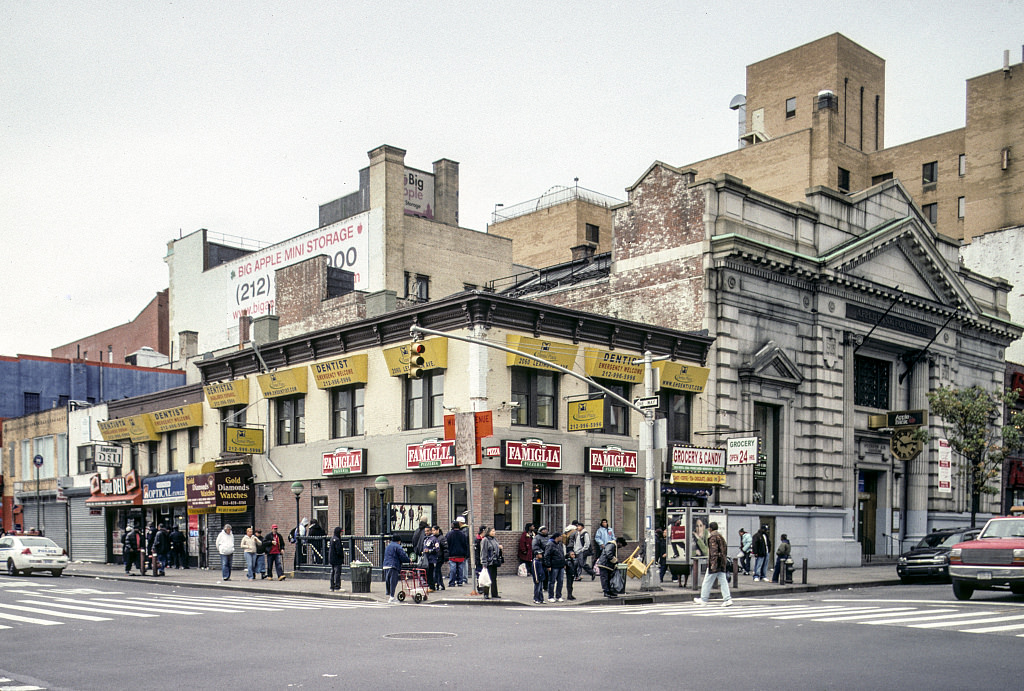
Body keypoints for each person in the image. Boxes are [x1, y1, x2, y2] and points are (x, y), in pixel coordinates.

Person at [693, 521, 733, 606]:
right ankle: (727, 599)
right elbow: (724, 549)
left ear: (710, 529)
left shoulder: (712, 538)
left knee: (707, 581)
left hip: (714, 563)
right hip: (721, 562)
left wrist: (712, 564)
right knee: (723, 581)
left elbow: (714, 551)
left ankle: (703, 599)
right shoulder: (720, 537)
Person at [382, 533, 410, 603]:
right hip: (393, 565)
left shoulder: (388, 546)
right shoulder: (398, 546)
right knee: (393, 582)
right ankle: (391, 597)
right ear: (399, 541)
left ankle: (389, 594)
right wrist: (409, 560)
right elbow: (403, 556)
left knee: (388, 581)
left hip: (386, 565)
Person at [543, 530, 567, 602]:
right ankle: (550, 596)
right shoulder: (550, 544)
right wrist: (548, 565)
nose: (562, 538)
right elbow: (546, 555)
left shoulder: (560, 544)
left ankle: (558, 595)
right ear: (557, 537)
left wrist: (564, 564)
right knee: (552, 581)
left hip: (560, 565)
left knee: (560, 581)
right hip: (553, 565)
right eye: (561, 537)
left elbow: (562, 554)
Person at [480, 526, 502, 599]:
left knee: (493, 578)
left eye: (494, 531)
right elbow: (483, 551)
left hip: (494, 562)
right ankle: (486, 593)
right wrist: (484, 562)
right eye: (492, 531)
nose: (494, 533)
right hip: (488, 562)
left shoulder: (494, 539)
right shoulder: (485, 540)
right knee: (487, 578)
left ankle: (494, 593)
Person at [446, 518, 469, 586]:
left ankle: (452, 582)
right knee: (460, 569)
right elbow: (465, 544)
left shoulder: (449, 534)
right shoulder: (462, 534)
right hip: (461, 555)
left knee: (453, 569)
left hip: (452, 554)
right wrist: (465, 553)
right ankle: (460, 581)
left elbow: (446, 544)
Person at [532, 525, 550, 604]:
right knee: (538, 583)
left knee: (544, 576)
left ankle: (541, 598)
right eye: (543, 529)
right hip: (541, 558)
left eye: (546, 529)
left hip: (546, 558)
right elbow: (535, 547)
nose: (545, 531)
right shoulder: (537, 538)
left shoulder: (548, 538)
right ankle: (536, 598)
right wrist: (541, 553)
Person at [562, 525, 578, 600]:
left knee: (571, 584)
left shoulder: (568, 531)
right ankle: (569, 595)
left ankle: (570, 595)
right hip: (571, 546)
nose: (574, 556)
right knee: (569, 584)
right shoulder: (574, 532)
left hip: (568, 546)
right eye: (572, 555)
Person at [422, 525, 440, 591]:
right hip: (426, 559)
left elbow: (437, 549)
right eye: (425, 531)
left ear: (430, 531)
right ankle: (430, 585)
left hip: (432, 559)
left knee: (431, 573)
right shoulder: (426, 539)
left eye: (427, 531)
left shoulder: (434, 539)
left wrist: (429, 551)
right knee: (427, 573)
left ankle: (432, 586)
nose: (426, 532)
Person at [328, 526, 345, 591]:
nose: (341, 534)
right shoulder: (338, 540)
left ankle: (332, 586)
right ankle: (337, 586)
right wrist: (342, 556)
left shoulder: (332, 539)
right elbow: (339, 550)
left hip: (332, 558)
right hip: (337, 559)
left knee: (332, 572)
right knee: (337, 573)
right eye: (341, 532)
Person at [433, 525, 448, 591]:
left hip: (439, 557)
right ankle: (439, 584)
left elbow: (445, 548)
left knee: (437, 570)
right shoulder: (433, 538)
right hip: (435, 556)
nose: (433, 532)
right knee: (437, 571)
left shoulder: (441, 538)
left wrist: (446, 558)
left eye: (434, 530)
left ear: (438, 530)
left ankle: (438, 584)